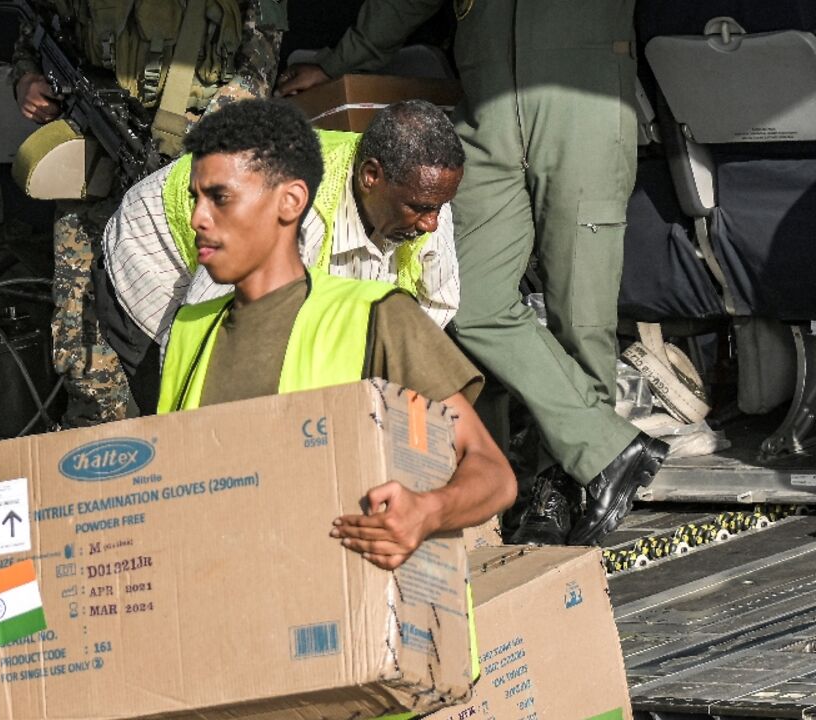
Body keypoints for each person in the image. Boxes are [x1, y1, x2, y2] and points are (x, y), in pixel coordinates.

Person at [276, 0, 668, 545]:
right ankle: (604, 448)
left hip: (584, 104)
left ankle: (560, 482)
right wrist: (337, 62)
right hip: (486, 114)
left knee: (581, 317)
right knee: (470, 301)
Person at [158, 98, 516, 568]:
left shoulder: (381, 317)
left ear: (288, 204)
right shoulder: (190, 332)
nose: (198, 219)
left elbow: (492, 473)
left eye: (220, 199)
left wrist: (428, 511)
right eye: (197, 199)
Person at [12, 0, 287, 426]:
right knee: (82, 340)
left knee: (200, 326)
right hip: (99, 160)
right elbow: (33, 32)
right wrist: (26, 80)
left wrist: (199, 150)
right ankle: (106, 447)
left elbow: (260, 61)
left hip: (194, 170)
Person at [101, 100, 465, 413]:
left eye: (439, 206)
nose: (432, 223)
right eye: (421, 208)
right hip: (159, 263)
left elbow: (431, 312)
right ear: (371, 176)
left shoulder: (424, 195)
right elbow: (209, 339)